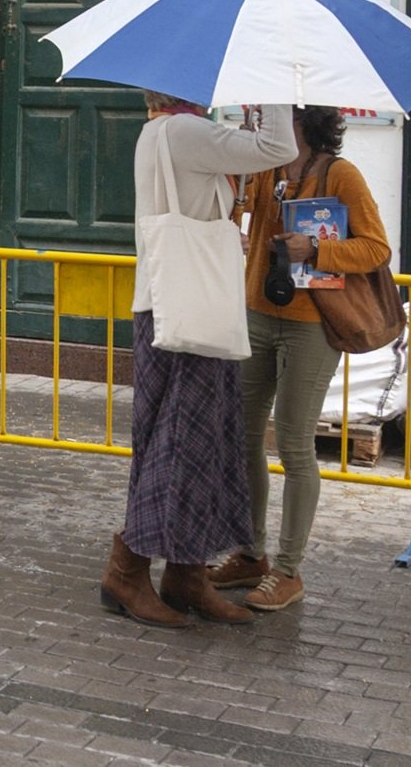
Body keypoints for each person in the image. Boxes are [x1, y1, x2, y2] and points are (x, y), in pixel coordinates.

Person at [101, 95, 295, 629]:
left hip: (179, 308)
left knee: (195, 440)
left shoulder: (162, 135)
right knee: (179, 441)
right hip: (189, 313)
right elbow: (278, 146)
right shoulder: (185, 132)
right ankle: (128, 570)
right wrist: (273, 89)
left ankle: (184, 574)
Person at [210, 105, 391, 612]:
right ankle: (251, 552)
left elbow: (376, 248)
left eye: (278, 121)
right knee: (241, 436)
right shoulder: (265, 170)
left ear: (305, 128)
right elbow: (228, 213)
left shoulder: (341, 175)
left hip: (312, 323)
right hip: (258, 312)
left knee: (293, 441)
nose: (270, 129)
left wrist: (315, 248)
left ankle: (289, 569)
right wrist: (235, 183)